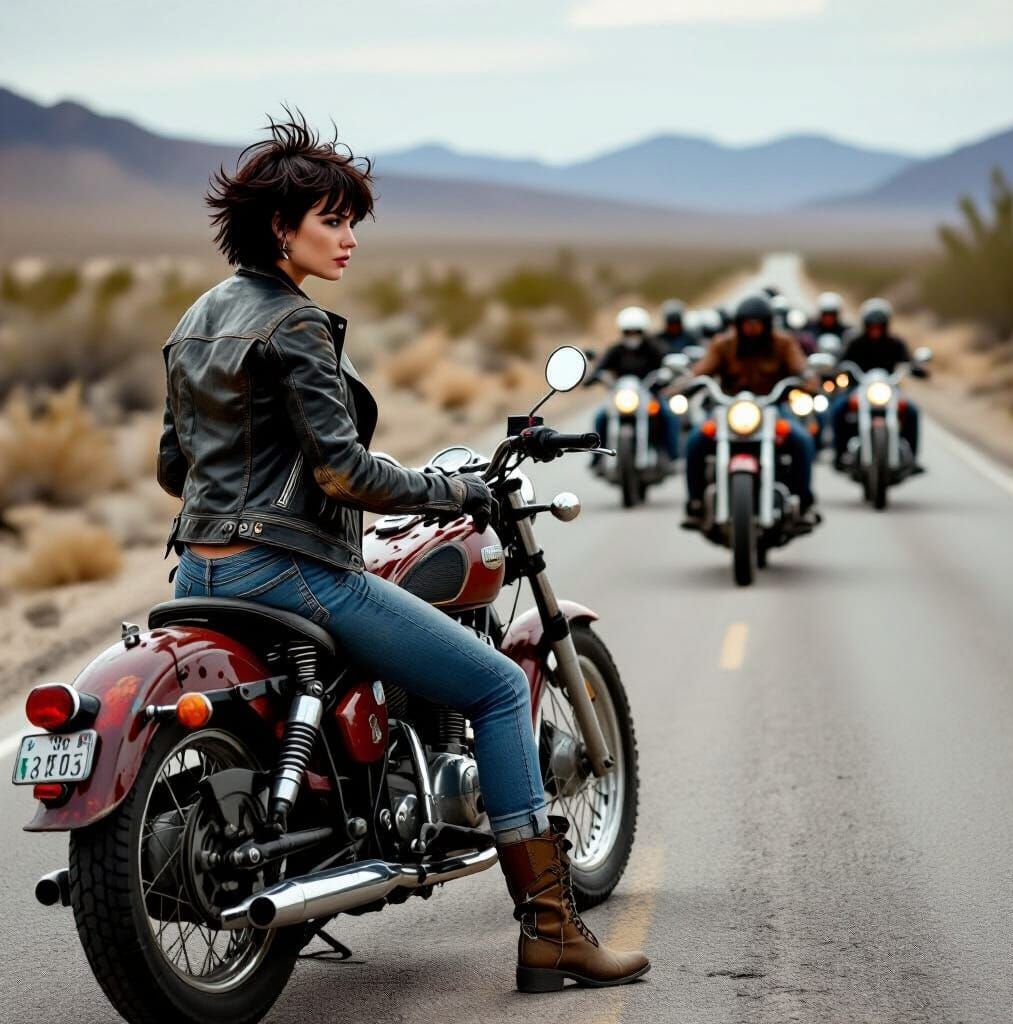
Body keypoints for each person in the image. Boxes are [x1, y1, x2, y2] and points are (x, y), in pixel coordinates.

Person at [157, 113, 648, 992]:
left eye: (352, 222)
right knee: (499, 685)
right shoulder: (294, 324)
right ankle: (551, 932)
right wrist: (453, 490)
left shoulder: (198, 319)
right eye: (332, 221)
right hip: (287, 570)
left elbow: (174, 466)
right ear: (282, 229)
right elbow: (344, 476)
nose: (348, 240)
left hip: (200, 568)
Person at [666, 293, 819, 527]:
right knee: (695, 440)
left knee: (802, 440)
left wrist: (809, 380)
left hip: (771, 408)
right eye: (747, 323)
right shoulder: (723, 345)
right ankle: (695, 503)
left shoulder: (783, 343)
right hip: (729, 409)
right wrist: (680, 387)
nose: (752, 328)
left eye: (757, 323)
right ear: (738, 324)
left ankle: (804, 502)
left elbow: (801, 366)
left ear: (767, 324)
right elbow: (700, 371)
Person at [831, 298, 925, 471]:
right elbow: (841, 362)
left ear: (886, 325)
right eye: (872, 326)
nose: (875, 330)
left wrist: (916, 368)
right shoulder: (855, 342)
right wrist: (837, 369)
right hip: (859, 388)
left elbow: (908, 361)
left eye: (879, 326)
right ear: (865, 325)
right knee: (838, 409)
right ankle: (840, 455)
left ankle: (912, 458)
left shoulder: (895, 343)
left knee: (912, 411)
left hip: (889, 390)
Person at [589, 306, 680, 462]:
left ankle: (673, 455)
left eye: (636, 332)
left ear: (642, 331)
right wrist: (592, 377)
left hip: (649, 395)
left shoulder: (653, 347)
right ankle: (598, 456)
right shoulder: (616, 350)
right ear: (622, 332)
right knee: (600, 417)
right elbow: (601, 367)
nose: (632, 336)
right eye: (628, 332)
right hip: (622, 397)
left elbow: (666, 363)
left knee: (668, 414)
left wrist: (667, 374)